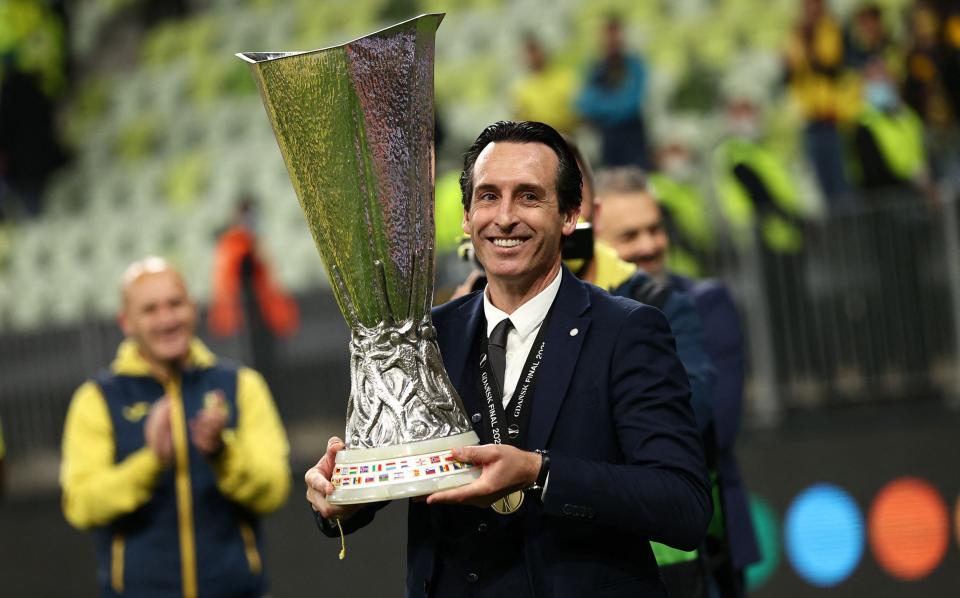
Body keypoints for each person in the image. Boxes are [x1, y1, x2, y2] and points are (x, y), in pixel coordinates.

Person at [306, 121, 711, 597]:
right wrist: (342, 497)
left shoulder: (627, 331)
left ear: (569, 215)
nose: (504, 217)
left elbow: (683, 506)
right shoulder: (428, 336)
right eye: (488, 196)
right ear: (465, 215)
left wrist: (541, 473)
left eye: (528, 197)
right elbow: (402, 467)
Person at [61, 256, 291, 597]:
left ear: (193, 308)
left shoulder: (242, 385)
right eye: (150, 309)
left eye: (175, 304)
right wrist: (151, 462)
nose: (166, 319)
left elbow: (274, 490)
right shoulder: (96, 399)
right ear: (126, 321)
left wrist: (223, 454)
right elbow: (81, 504)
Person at [594, 168, 760, 597]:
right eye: (629, 236)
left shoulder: (704, 303)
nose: (649, 245)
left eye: (655, 228)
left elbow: (714, 419)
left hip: (705, 546)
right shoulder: (579, 317)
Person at [209, 198, 299, 387]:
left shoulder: (254, 242)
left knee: (268, 369)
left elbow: (268, 279)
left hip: (261, 318)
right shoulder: (233, 243)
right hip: (242, 321)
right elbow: (229, 283)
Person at [576, 15, 651, 168]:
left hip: (633, 141)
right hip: (606, 141)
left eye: (615, 34)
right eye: (608, 35)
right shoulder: (595, 68)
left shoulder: (635, 66)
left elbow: (630, 105)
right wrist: (615, 104)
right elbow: (583, 104)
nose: (611, 40)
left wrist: (603, 108)